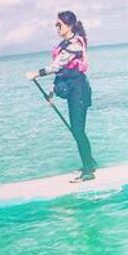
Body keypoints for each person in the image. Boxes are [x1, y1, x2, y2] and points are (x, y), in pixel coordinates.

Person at [25, 10, 97, 181]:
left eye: (60, 25)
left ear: (70, 25)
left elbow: (57, 66)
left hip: (79, 89)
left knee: (78, 130)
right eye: (56, 25)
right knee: (76, 130)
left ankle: (88, 172)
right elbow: (62, 73)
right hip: (71, 89)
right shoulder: (64, 44)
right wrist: (52, 92)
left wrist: (37, 73)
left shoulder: (75, 45)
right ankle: (89, 163)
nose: (57, 28)